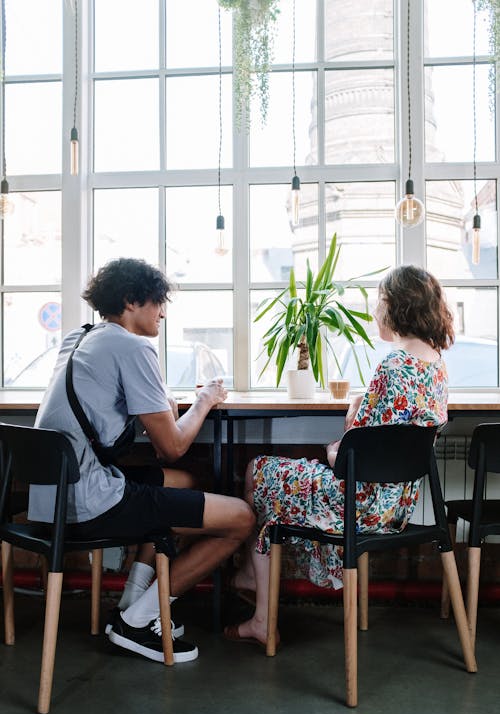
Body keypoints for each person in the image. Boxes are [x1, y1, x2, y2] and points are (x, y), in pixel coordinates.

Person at [28, 257, 255, 663]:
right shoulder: (135, 347)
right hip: (89, 504)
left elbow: (106, 413)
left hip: (50, 501)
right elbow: (172, 446)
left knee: (180, 482)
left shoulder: (79, 338)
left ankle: (133, 607)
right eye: (157, 302)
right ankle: (139, 621)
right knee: (240, 518)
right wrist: (203, 400)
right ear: (132, 301)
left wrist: (160, 406)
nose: (163, 312)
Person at [225, 264, 454, 647]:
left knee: (257, 470)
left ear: (398, 306)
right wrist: (362, 409)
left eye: (380, 302)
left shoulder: (391, 367)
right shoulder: (436, 366)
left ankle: (257, 596)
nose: (375, 312)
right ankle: (254, 582)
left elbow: (350, 458)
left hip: (359, 505)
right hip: (396, 508)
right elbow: (393, 433)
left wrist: (336, 447)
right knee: (271, 485)